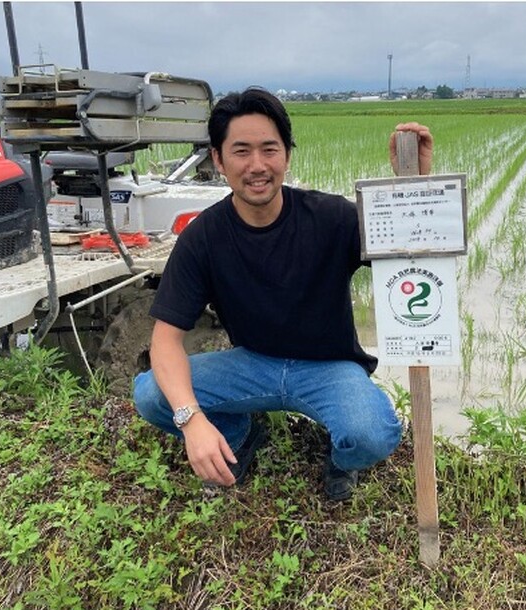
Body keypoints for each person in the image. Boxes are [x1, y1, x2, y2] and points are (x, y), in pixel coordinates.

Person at [133, 87, 433, 501]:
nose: (257, 166)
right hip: (251, 364)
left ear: (286, 155)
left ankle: (341, 460)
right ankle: (237, 434)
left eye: (269, 149)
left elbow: (411, 253)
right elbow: (165, 342)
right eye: (241, 151)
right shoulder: (203, 236)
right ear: (218, 160)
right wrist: (193, 422)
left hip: (329, 367)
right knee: (151, 394)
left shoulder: (332, 218)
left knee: (370, 434)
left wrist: (411, 184)